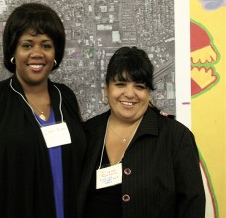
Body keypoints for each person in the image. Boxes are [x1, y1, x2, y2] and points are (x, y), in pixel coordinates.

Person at [0, 3, 87, 218]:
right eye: (27, 45)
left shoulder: (66, 98)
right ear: (13, 51)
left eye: (46, 45)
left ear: (56, 53)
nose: (37, 53)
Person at [78, 46, 205, 218]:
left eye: (139, 86)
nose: (130, 93)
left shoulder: (176, 137)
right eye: (120, 84)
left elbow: (192, 206)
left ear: (148, 93)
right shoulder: (88, 133)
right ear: (107, 89)